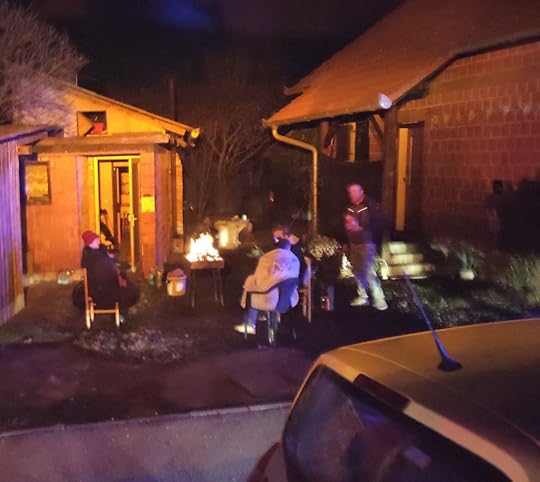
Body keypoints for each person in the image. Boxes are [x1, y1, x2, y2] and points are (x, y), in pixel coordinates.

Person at [234, 239, 300, 335]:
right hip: (289, 299)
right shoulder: (295, 260)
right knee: (261, 288)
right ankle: (268, 316)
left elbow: (260, 279)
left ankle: (250, 324)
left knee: (251, 286)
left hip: (269, 299)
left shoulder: (267, 258)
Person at [72, 230, 139, 316]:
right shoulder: (96, 258)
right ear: (90, 243)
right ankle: (121, 310)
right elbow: (108, 273)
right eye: (96, 240)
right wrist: (119, 274)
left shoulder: (92, 255)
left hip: (96, 290)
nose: (98, 241)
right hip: (105, 293)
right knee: (131, 290)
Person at [344, 182, 388, 311]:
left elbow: (379, 224)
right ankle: (363, 296)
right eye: (350, 192)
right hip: (353, 244)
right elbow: (347, 225)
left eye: (354, 192)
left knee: (369, 271)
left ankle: (380, 299)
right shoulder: (349, 208)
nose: (352, 195)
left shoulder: (371, 206)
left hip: (367, 244)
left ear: (361, 192)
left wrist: (361, 228)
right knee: (358, 272)